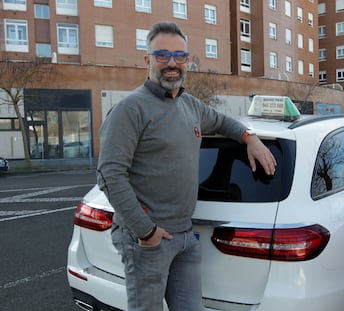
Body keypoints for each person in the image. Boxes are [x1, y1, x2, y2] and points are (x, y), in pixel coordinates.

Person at [96, 21, 276, 311]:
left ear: (188, 60)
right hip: (148, 242)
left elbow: (220, 122)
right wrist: (146, 232)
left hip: (185, 237)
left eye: (180, 56)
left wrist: (250, 137)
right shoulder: (131, 109)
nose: (172, 63)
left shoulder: (189, 105)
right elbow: (109, 174)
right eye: (162, 55)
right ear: (147, 60)